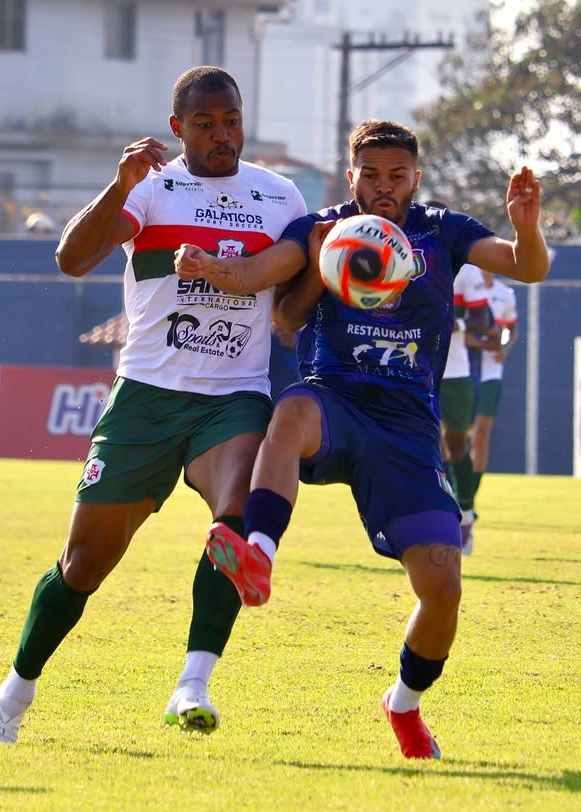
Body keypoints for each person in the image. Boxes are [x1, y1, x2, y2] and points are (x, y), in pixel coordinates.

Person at [172, 119, 549, 759]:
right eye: (370, 175)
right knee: (289, 411)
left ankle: (403, 704)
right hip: (336, 400)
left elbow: (527, 269)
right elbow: (283, 313)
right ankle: (258, 552)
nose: (383, 188)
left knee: (443, 586)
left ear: (415, 178)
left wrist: (527, 223)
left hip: (407, 426)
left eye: (396, 176)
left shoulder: (442, 229)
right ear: (351, 176)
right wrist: (224, 266)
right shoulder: (323, 228)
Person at [0, 66, 308, 744]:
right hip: (147, 398)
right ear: (177, 127)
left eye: (232, 120)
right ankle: (15, 692)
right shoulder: (151, 190)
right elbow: (71, 259)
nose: (222, 135)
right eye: (206, 123)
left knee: (235, 519)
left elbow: (295, 297)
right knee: (83, 565)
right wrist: (119, 185)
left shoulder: (280, 196)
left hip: (233, 397)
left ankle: (193, 682)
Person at [438, 260, 490, 555]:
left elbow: (481, 320)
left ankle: (466, 515)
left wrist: (454, 323)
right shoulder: (402, 258)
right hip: (415, 370)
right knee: (420, 443)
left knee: (456, 446)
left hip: (455, 373)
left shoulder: (467, 271)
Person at [465, 269, 519, 515]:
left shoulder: (505, 294)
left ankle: (469, 498)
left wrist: (504, 348)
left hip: (491, 370)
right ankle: (455, 491)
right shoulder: (463, 283)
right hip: (464, 367)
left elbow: (511, 327)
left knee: (481, 434)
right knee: (455, 434)